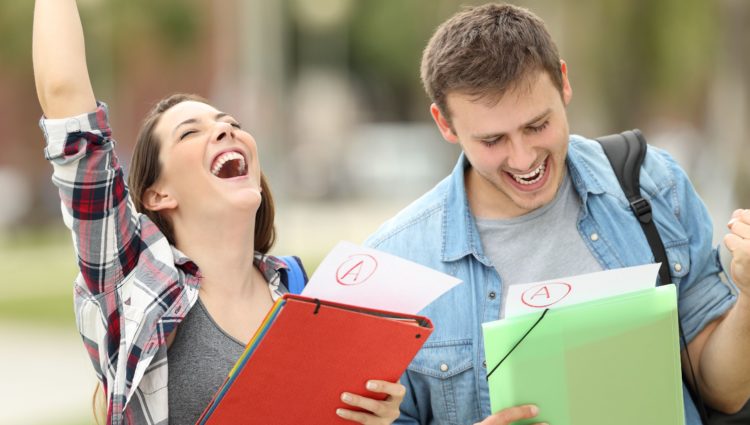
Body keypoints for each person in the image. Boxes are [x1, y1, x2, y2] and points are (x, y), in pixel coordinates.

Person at [364, 3, 750, 425]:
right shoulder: (396, 263)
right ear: (445, 124)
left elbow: (724, 392)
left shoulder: (653, 184)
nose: (523, 157)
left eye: (537, 125)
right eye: (493, 139)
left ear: (564, 83)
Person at [32, 1, 406, 424]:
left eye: (230, 122)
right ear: (157, 195)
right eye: (191, 133)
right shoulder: (131, 276)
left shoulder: (300, 294)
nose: (226, 129)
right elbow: (66, 101)